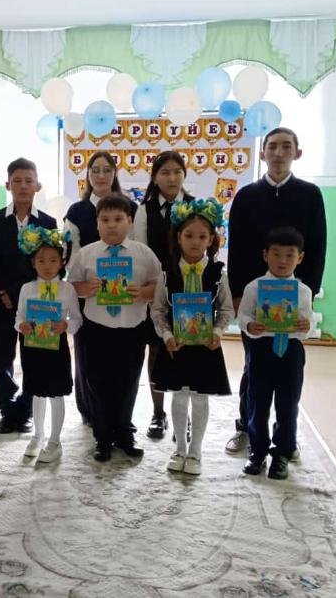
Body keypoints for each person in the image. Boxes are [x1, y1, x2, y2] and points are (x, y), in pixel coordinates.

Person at [225, 127, 326, 458]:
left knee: (288, 374)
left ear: (297, 153)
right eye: (272, 147)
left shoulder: (310, 195)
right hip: (255, 300)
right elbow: (236, 248)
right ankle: (246, 426)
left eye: (286, 147)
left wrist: (306, 295)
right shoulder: (246, 196)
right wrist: (238, 294)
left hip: (292, 301)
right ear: (263, 153)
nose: (278, 153)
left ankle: (286, 437)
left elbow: (318, 247)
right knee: (253, 366)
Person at [70, 194, 162, 462]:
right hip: (96, 329)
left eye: (118, 219)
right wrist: (86, 289)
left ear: (130, 222)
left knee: (128, 382)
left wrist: (143, 292)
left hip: (132, 330)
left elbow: (159, 286)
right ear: (97, 223)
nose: (112, 225)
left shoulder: (143, 254)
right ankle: (102, 437)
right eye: (105, 219)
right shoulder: (86, 254)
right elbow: (72, 285)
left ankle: (125, 433)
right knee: (97, 383)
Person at [150, 198, 233, 475]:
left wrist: (218, 332)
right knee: (179, 396)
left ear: (211, 239)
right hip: (176, 346)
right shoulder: (166, 272)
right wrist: (166, 335)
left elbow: (226, 309)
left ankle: (196, 451)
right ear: (178, 237)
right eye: (189, 235)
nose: (195, 242)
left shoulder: (218, 273)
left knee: (199, 398)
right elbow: (158, 310)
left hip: (206, 347)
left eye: (202, 236)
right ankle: (180, 449)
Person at [0, 158, 57, 434]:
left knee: (32, 357)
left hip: (36, 303)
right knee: (2, 358)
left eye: (29, 181)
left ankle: (26, 410)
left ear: (38, 185)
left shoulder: (47, 222)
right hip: (1, 301)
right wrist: (5, 292)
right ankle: (6, 410)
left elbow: (50, 263)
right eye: (17, 181)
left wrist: (25, 295)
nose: (23, 186)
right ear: (8, 185)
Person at [63, 151, 136, 426]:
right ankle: (91, 412)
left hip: (124, 294)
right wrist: (84, 284)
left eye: (107, 170)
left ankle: (121, 415)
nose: (101, 175)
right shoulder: (77, 211)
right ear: (88, 174)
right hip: (88, 292)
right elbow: (72, 254)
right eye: (95, 170)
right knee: (87, 355)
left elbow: (137, 247)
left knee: (123, 356)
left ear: (115, 173)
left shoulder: (130, 207)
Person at [236, 226, 315, 479]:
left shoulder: (303, 291)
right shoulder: (254, 288)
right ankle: (257, 450)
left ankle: (282, 452)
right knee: (257, 401)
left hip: (291, 352)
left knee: (288, 403)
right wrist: (250, 326)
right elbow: (243, 316)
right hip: (261, 349)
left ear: (300, 258)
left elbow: (308, 323)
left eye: (290, 255)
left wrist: (306, 326)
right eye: (276, 254)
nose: (283, 260)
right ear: (265, 255)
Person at [133, 151, 195, 440]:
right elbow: (141, 252)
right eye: (165, 172)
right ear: (155, 177)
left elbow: (204, 248)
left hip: (189, 289)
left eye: (177, 172)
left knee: (186, 350)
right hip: (155, 289)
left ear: (184, 175)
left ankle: (184, 415)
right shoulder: (144, 210)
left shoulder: (196, 206)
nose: (172, 178)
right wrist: (153, 289)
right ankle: (158, 414)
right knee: (156, 350)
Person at [15, 226, 82, 463]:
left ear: (61, 262)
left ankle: (55, 441)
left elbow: (77, 320)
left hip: (56, 350)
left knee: (56, 393)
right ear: (33, 262)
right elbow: (18, 317)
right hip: (32, 348)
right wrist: (22, 326)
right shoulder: (26, 288)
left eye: (53, 260)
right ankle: (38, 435)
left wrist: (65, 326)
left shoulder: (67, 289)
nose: (47, 265)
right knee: (36, 392)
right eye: (41, 260)